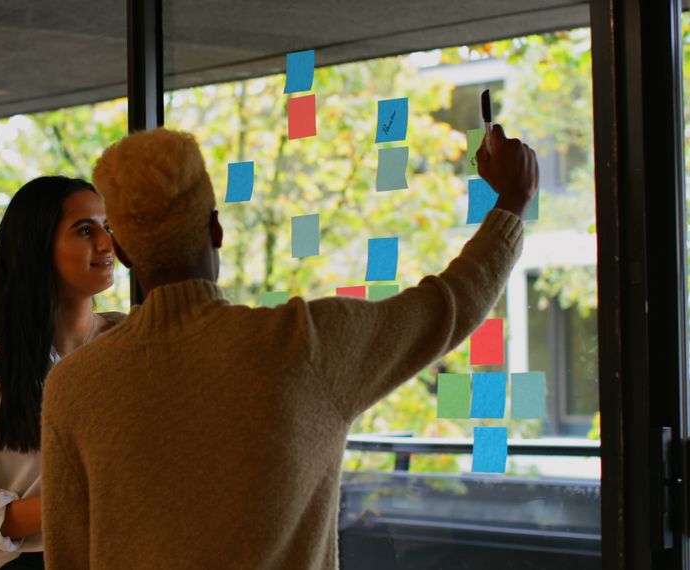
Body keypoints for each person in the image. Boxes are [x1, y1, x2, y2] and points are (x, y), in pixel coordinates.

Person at [41, 127, 537, 569]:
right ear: (215, 228)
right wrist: (513, 198)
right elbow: (450, 303)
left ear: (123, 252)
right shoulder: (302, 344)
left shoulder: (73, 386)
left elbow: (66, 557)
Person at [0, 175, 123, 570]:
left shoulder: (128, 343)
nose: (106, 243)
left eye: (108, 227)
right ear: (37, 247)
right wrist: (71, 502)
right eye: (85, 230)